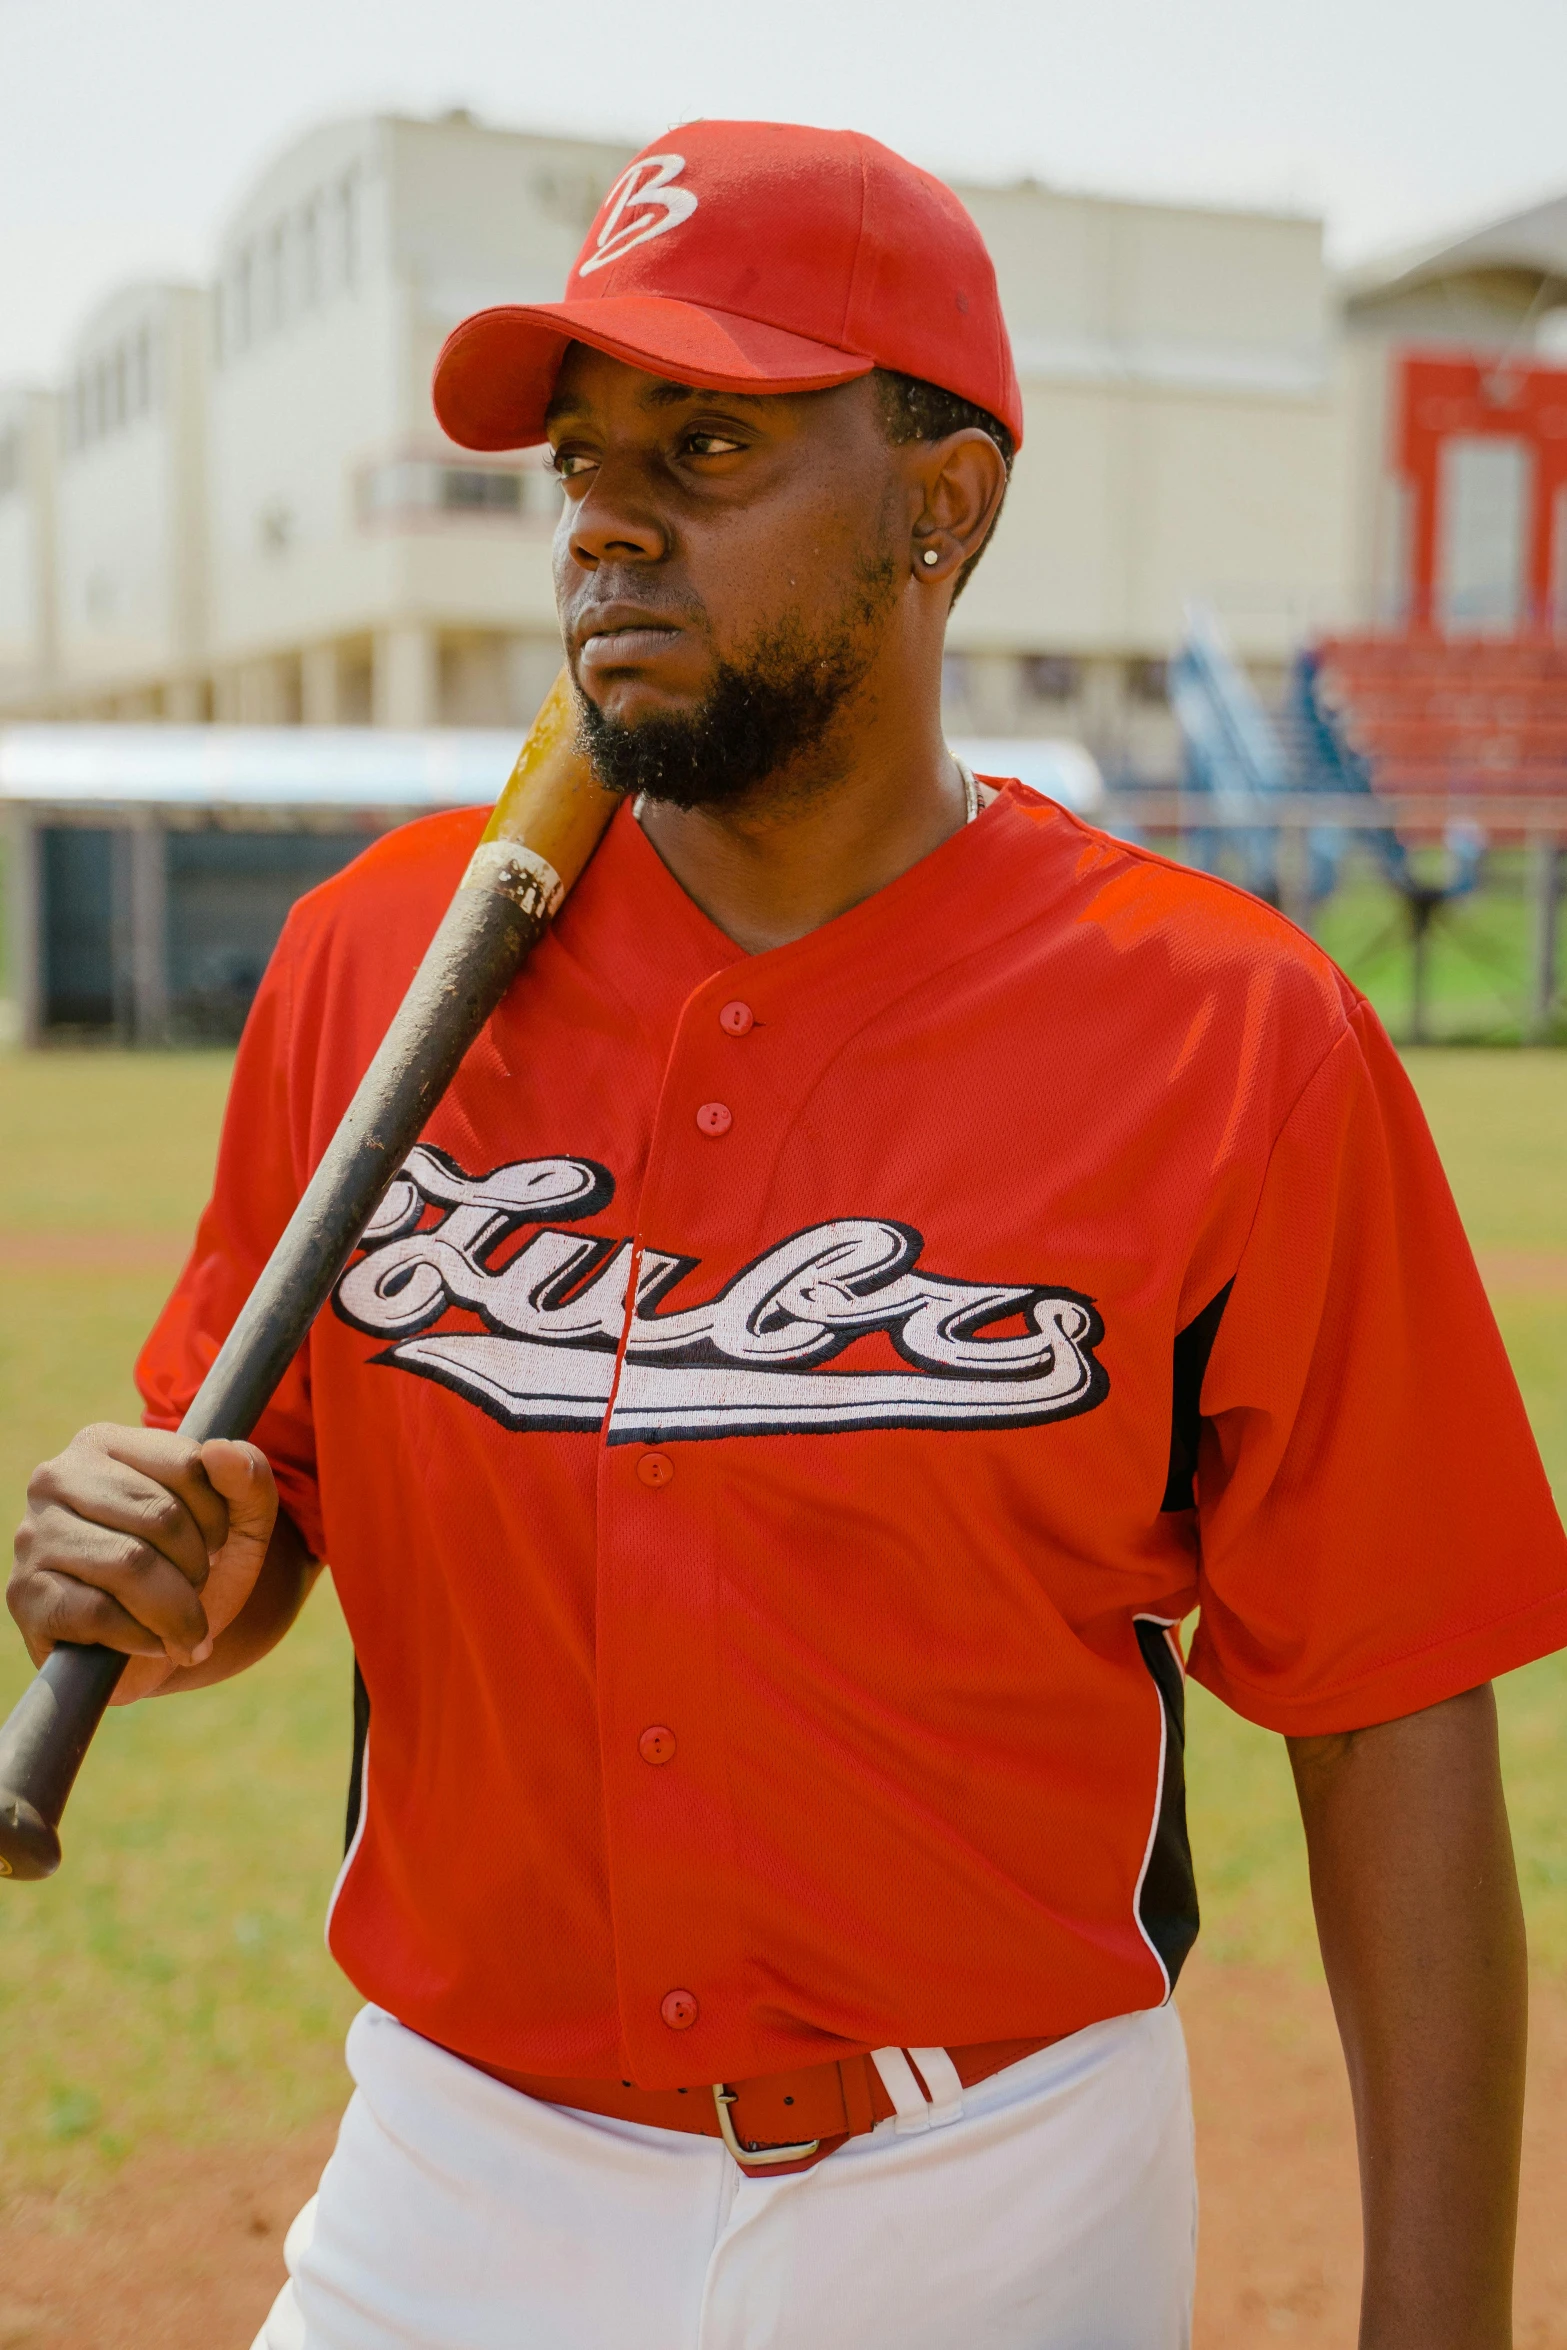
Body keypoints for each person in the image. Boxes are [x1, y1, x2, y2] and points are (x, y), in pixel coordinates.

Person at [10, 120, 1567, 2350]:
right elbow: (261, 1529)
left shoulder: (1235, 1034)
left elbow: (1395, 1711)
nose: (608, 515)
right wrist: (162, 1572)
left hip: (995, 2177)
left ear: (945, 504)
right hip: (462, 2164)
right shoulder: (376, 969)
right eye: (581, 456)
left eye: (710, 440)